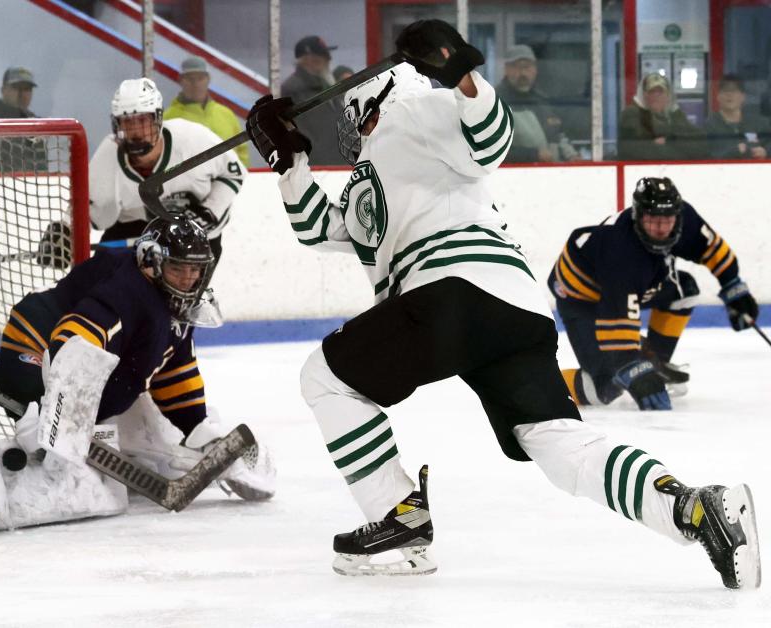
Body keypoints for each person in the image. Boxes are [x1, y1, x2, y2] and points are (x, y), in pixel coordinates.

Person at [245, 18, 760, 587]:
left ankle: (397, 518)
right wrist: (288, 161)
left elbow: (489, 139)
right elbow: (323, 228)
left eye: (353, 116)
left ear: (374, 100)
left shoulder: (415, 113)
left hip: (453, 292)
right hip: (514, 309)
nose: (350, 128)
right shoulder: (374, 173)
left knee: (326, 377)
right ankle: (695, 508)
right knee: (560, 446)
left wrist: (461, 72)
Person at [0, 217, 276, 534]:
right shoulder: (130, 289)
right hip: (38, 346)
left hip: (92, 371)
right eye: (178, 269)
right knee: (46, 449)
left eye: (194, 270)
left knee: (150, 441)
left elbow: (174, 369)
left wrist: (197, 426)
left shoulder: (173, 304)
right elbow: (75, 339)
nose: (188, 279)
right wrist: (54, 410)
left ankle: (171, 454)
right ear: (152, 261)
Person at [549, 177, 758, 410]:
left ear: (677, 216)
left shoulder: (684, 218)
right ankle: (537, 386)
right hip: (582, 297)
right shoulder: (621, 250)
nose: (660, 228)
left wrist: (734, 286)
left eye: (666, 220)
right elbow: (617, 324)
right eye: (651, 220)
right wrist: (633, 370)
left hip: (631, 285)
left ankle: (654, 359)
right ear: (637, 216)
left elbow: (712, 248)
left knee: (684, 289)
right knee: (605, 387)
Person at [88, 78, 246, 262]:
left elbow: (234, 172)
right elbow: (90, 210)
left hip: (195, 235)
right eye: (127, 122)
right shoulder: (108, 154)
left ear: (158, 119)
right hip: (137, 228)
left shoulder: (193, 138)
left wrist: (210, 210)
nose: (136, 131)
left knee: (175, 287)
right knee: (98, 283)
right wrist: (63, 234)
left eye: (142, 121)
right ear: (117, 124)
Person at [495, 45, 579, 163]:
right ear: (506, 69)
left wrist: (571, 155)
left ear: (535, 70)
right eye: (517, 67)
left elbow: (558, 136)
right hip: (514, 177)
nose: (523, 73)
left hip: (550, 175)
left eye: (527, 67)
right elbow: (489, 149)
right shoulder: (493, 102)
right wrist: (534, 155)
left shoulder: (542, 101)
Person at [164, 56, 249, 166]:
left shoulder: (226, 115)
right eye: (190, 78)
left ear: (208, 79)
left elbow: (242, 151)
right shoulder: (168, 119)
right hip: (187, 183)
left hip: (228, 181)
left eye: (200, 78)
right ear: (180, 81)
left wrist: (241, 179)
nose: (195, 84)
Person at [280, 36, 347, 166]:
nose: (328, 60)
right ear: (310, 60)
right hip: (319, 167)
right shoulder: (295, 88)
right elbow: (305, 131)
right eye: (324, 56)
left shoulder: (323, 85)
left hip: (335, 164)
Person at [618, 73, 707, 160]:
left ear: (668, 96)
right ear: (644, 95)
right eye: (651, 92)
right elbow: (640, 151)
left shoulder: (677, 116)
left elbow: (701, 145)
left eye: (660, 92)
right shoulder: (631, 115)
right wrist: (679, 143)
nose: (656, 96)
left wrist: (669, 140)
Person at [0, 66, 47, 171]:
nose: (22, 94)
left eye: (27, 89)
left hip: (31, 185)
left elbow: (41, 167)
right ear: (3, 90)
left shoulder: (36, 124)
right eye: (16, 87)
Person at [705, 75, 770, 160]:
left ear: (743, 97)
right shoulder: (709, 126)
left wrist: (765, 151)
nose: (729, 94)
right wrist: (735, 151)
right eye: (725, 90)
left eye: (734, 90)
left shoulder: (759, 123)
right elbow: (707, 156)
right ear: (718, 96)